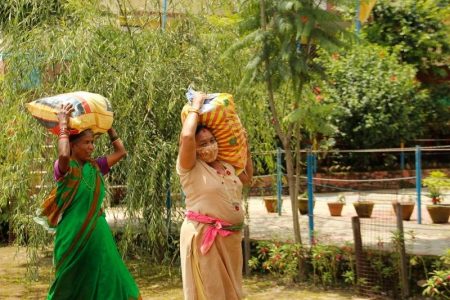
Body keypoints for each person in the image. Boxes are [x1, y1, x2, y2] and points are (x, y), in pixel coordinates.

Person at [42, 103, 141, 300]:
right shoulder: (65, 168)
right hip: (72, 235)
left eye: (92, 142)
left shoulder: (96, 166)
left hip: (98, 233)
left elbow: (121, 152)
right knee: (70, 281)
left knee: (110, 275)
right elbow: (62, 154)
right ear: (73, 145)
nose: (91, 147)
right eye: (86, 142)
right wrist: (63, 124)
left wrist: (109, 127)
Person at [177, 92, 253, 300]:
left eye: (211, 140)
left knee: (232, 294)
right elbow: (186, 137)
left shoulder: (227, 166)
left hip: (231, 242)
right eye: (202, 144)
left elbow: (247, 177)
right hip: (205, 238)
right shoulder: (190, 167)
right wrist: (197, 104)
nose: (209, 146)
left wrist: (245, 145)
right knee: (211, 293)